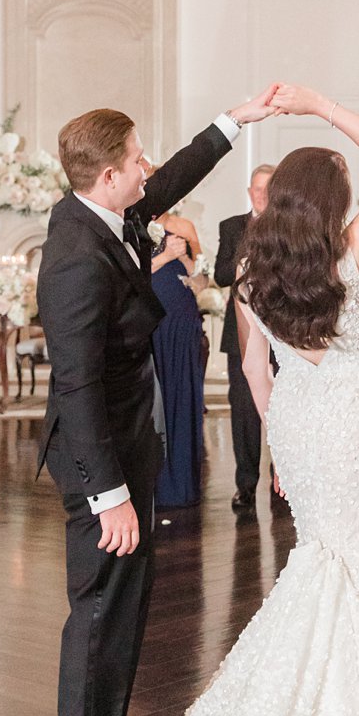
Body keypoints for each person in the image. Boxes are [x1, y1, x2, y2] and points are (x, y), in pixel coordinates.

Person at [170, 85, 359, 716]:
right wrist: (320, 105)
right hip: (355, 423)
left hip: (298, 421)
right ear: (332, 203)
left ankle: (293, 705)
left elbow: (255, 370)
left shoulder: (250, 279)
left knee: (319, 556)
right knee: (354, 562)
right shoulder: (349, 255)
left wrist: (277, 454)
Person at [36, 86, 280, 716]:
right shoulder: (77, 254)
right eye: (136, 159)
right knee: (100, 607)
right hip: (97, 460)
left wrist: (232, 121)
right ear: (108, 174)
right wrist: (107, 493)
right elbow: (75, 385)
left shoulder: (106, 209)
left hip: (126, 444)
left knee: (130, 599)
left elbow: (172, 176)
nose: (147, 167)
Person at [214, 164, 276, 513]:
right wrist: (246, 262)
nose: (261, 195)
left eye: (267, 189)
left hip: (283, 331)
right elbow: (222, 274)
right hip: (239, 330)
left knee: (282, 407)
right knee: (243, 410)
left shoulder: (288, 226)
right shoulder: (231, 227)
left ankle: (282, 477)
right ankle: (246, 485)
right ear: (249, 192)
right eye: (256, 189)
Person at [150, 214, 206, 509]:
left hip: (181, 319)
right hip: (149, 321)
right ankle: (151, 483)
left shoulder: (184, 226)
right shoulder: (129, 226)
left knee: (181, 396)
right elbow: (125, 274)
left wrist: (183, 258)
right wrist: (164, 257)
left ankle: (181, 484)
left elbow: (201, 281)